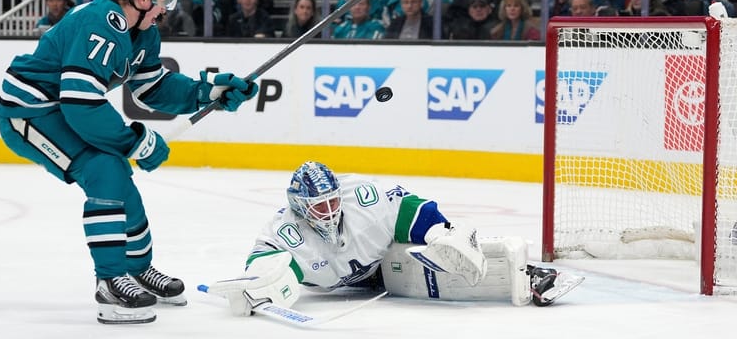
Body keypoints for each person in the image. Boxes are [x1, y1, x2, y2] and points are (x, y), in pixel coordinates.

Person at [0, 0, 259, 324]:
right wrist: (135, 141)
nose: (164, 8)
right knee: (104, 168)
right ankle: (109, 282)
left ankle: (136, 268)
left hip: (62, 107)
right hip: (30, 111)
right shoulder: (101, 23)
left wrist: (207, 92)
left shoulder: (144, 32)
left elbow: (153, 88)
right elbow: (81, 103)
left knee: (118, 174)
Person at [203, 161, 582, 315]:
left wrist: (439, 232)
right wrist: (259, 289)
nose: (330, 211)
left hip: (385, 258)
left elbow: (409, 209)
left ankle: (528, 274)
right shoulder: (285, 231)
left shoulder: (361, 198)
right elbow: (264, 264)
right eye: (319, 206)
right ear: (300, 207)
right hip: (348, 284)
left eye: (333, 201)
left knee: (445, 254)